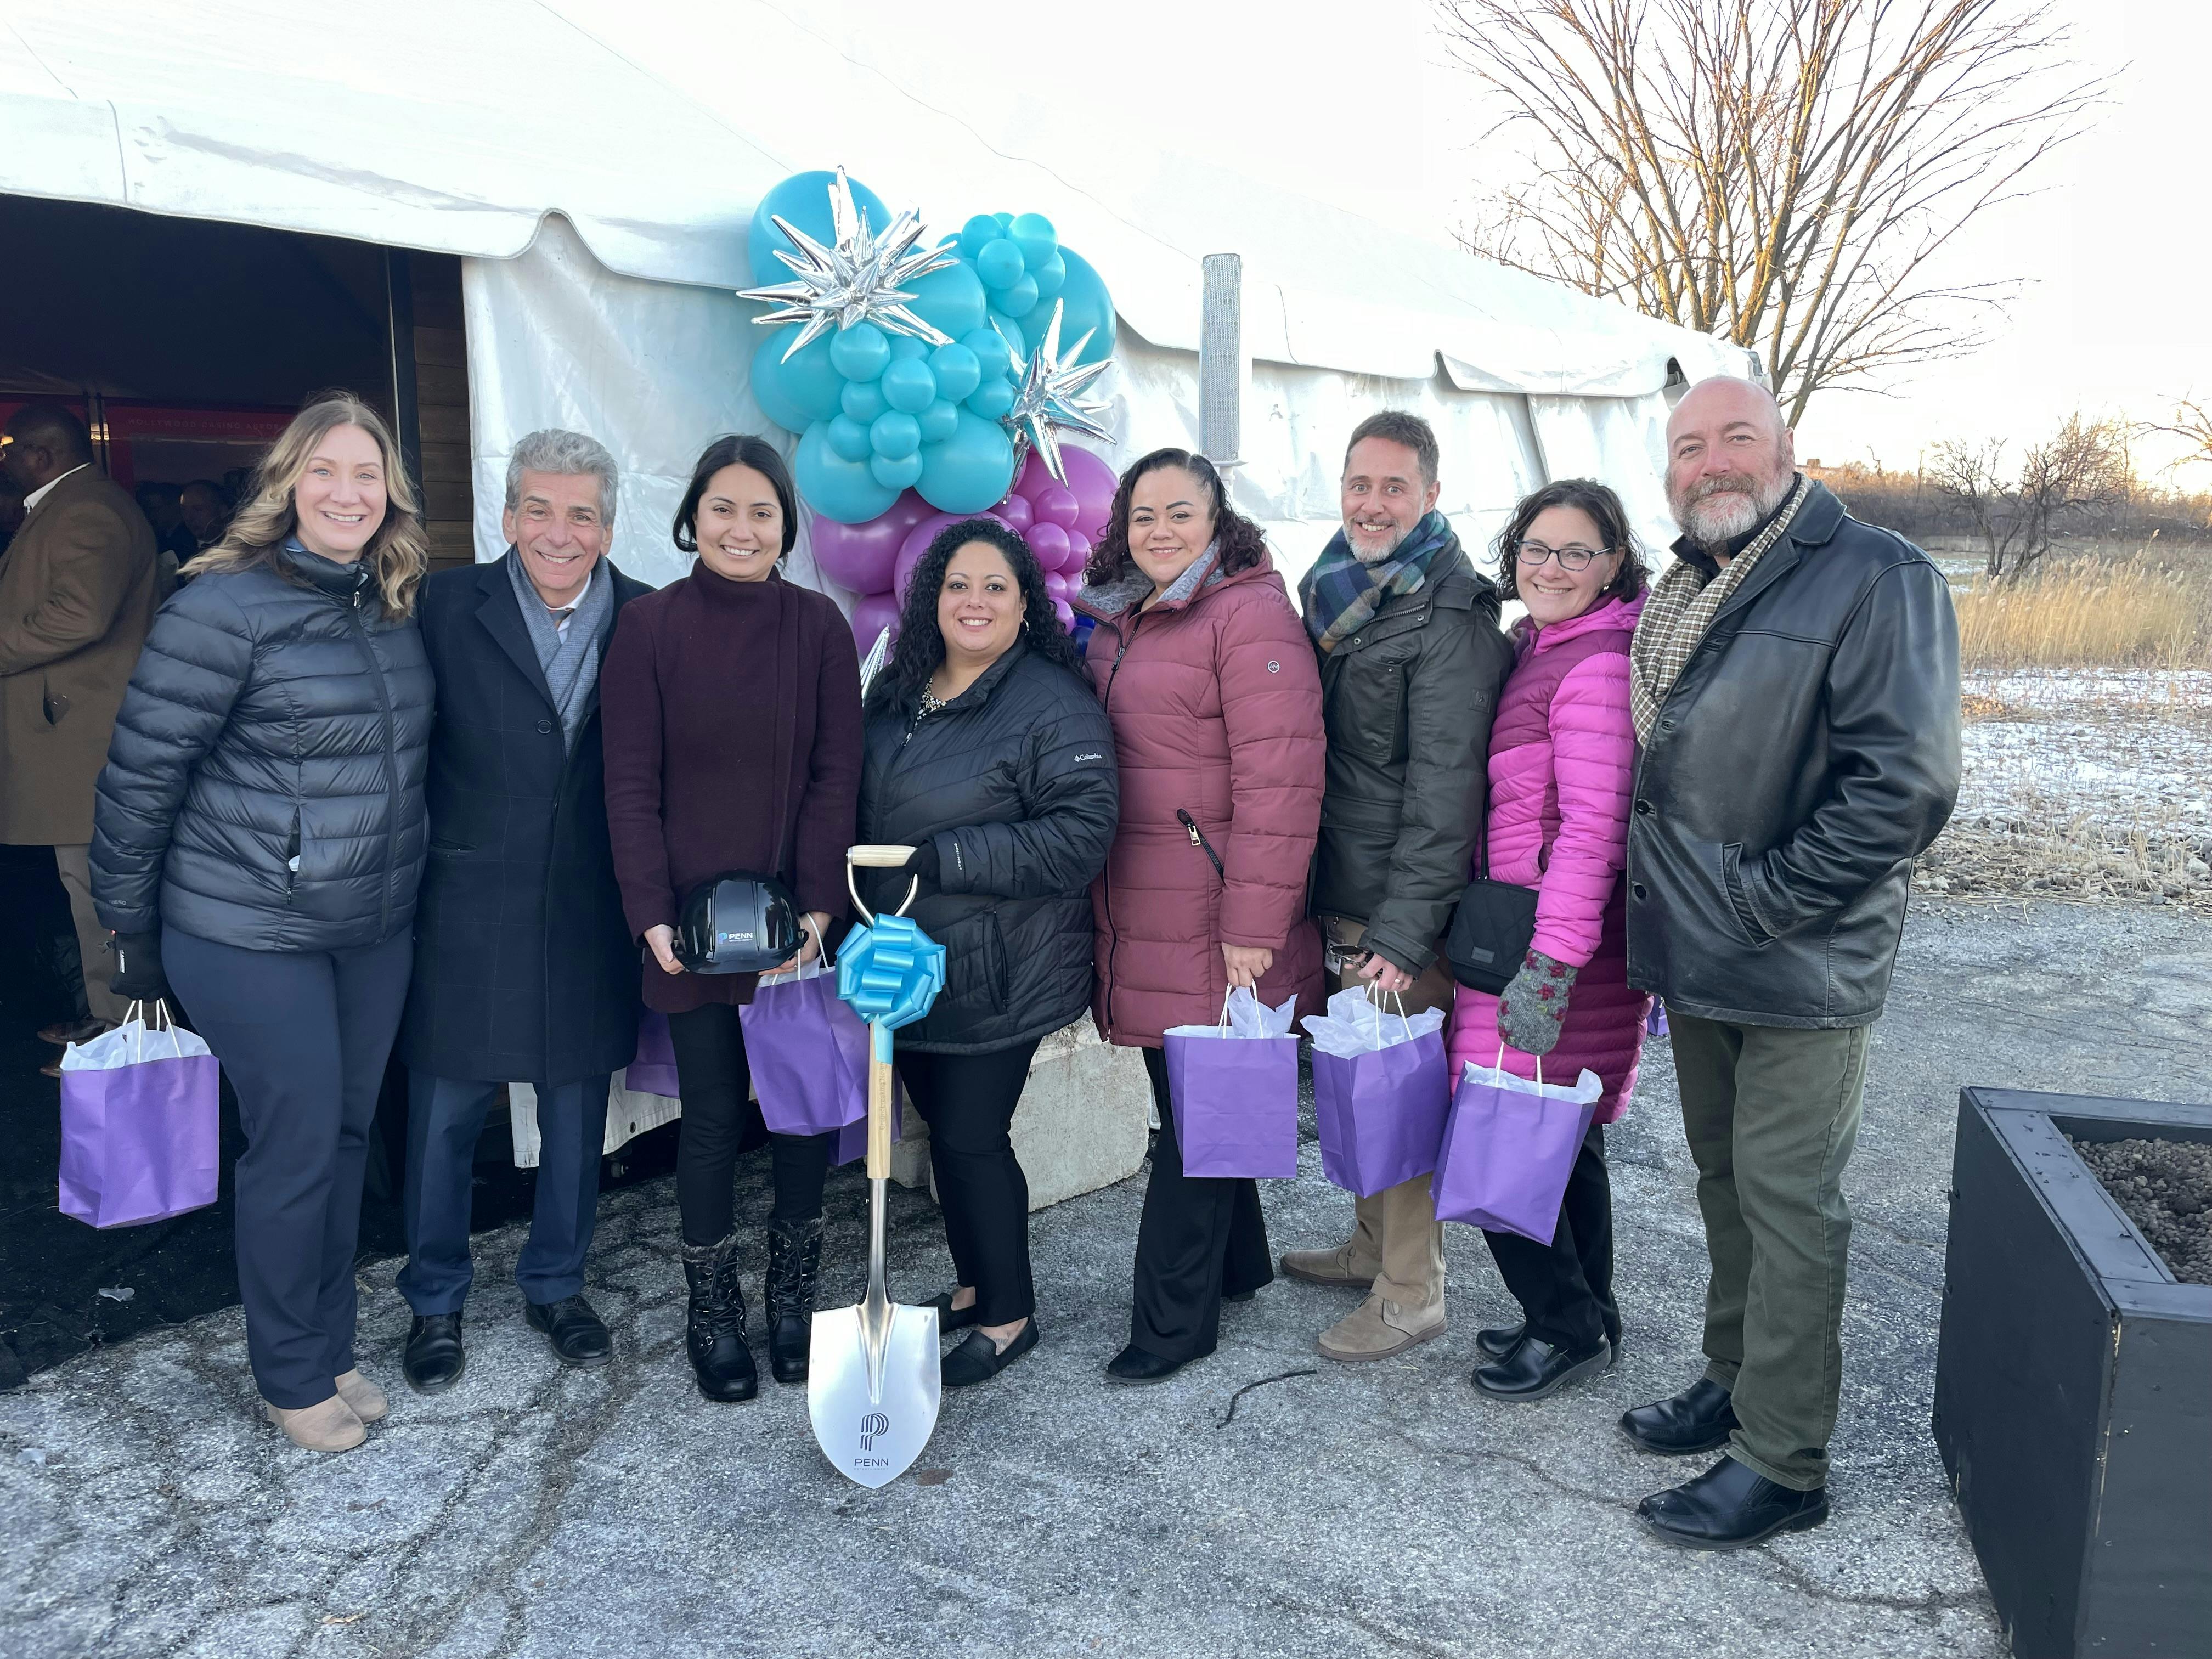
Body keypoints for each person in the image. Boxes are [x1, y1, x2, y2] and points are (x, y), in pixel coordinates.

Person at [1621, 376, 1960, 1548]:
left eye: (1736, 439)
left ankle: (1784, 1459)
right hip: (1705, 954)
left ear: (1787, 449)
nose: (1711, 462)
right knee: (1724, 1184)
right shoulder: (1693, 584)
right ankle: (1734, 1380)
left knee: (1791, 1201)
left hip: (1798, 956)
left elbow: (1901, 787)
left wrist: (1765, 899)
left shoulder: (1874, 574)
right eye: (1688, 446)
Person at [90, 392, 434, 1454]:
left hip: (367, 925)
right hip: (246, 925)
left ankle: (327, 1343)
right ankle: (289, 1373)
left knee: (340, 1137)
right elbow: (141, 775)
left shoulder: (387, 604)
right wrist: (129, 927)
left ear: (390, 497)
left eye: (367, 475)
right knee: (294, 1145)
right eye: (325, 471)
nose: (347, 492)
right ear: (287, 484)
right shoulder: (221, 608)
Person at [600, 435, 862, 1403]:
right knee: (712, 1116)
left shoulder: (819, 629)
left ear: (785, 526)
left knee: (797, 1112)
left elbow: (838, 774)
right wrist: (649, 913)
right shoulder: (649, 628)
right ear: (692, 517)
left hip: (794, 924)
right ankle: (710, 1309)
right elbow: (628, 781)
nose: (740, 527)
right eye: (723, 507)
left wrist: (821, 903)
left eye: (761, 511)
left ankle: (791, 1296)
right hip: (686, 925)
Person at [393, 430, 651, 1394]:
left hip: (588, 906)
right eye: (538, 509)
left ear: (608, 525)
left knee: (577, 1111)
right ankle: (433, 1297)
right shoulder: (438, 606)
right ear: (505, 517)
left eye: (580, 512)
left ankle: (556, 1281)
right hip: (463, 898)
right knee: (445, 1114)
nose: (558, 529)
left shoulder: (646, 617)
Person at [1073, 447, 1325, 1386]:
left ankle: (1172, 1322)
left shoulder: (1249, 613)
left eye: (1180, 513)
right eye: (1144, 515)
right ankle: (1237, 1262)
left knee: (1198, 1120)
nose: (1160, 531)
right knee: (1190, 1098)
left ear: (1217, 520)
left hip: (1215, 905)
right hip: (1138, 898)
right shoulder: (1122, 611)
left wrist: (1253, 920)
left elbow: (1283, 779)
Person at [856, 519, 1119, 1388]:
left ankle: (1009, 1316)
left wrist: (949, 856)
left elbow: (1082, 837)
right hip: (911, 966)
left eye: (995, 586)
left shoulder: (1051, 700)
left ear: (1024, 604)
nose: (974, 601)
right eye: (958, 584)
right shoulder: (899, 690)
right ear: (932, 596)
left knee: (973, 1139)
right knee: (947, 1139)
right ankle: (974, 1286)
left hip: (1004, 966)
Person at [1281, 411, 1513, 1363]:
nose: (1372, 504)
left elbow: (1446, 789)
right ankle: (1370, 1242)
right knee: (1359, 1081)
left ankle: (1412, 1289)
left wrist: (1407, 928)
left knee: (1400, 1093)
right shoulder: (1339, 587)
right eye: (1358, 483)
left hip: (1398, 903)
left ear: (1429, 495)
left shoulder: (1449, 610)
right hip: (1347, 882)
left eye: (1393, 487)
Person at [1444, 479, 1652, 1402]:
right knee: (1563, 1139)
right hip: (1538, 933)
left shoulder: (1596, 662)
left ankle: (1561, 1323)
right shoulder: (1541, 644)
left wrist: (1550, 965)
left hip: (1546, 945)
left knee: (1494, 1136)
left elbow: (1593, 827)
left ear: (1614, 562)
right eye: (1536, 547)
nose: (1552, 567)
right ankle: (1583, 1313)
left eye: (1577, 552)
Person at [0, 403, 170, 1072]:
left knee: (104, 892)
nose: (4, 458)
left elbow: (81, 614)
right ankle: (113, 1022)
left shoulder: (86, 508)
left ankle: (128, 1035)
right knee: (94, 888)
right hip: (73, 732)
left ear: (41, 456)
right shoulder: (73, 504)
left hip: (82, 738)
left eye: (11, 448)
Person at [179, 480, 230, 552]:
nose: (188, 517)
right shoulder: (177, 546)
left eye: (198, 509)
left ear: (222, 511)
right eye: (183, 510)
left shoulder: (238, 547)